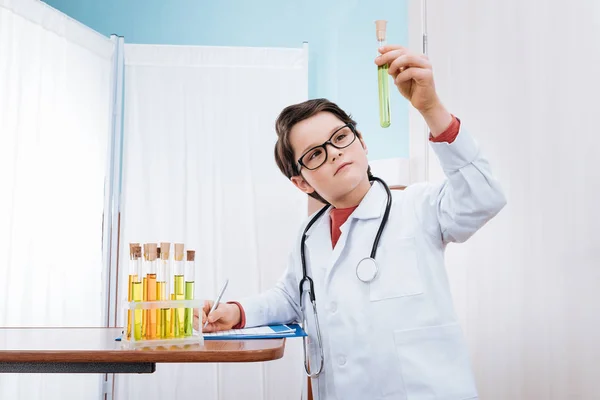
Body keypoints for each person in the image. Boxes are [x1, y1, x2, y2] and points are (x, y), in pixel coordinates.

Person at [194, 44, 506, 399]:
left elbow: (484, 197)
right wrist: (237, 311)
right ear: (302, 183)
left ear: (362, 142)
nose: (335, 152)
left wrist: (431, 109)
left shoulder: (418, 207)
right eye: (315, 154)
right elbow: (293, 298)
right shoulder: (309, 235)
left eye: (341, 137)